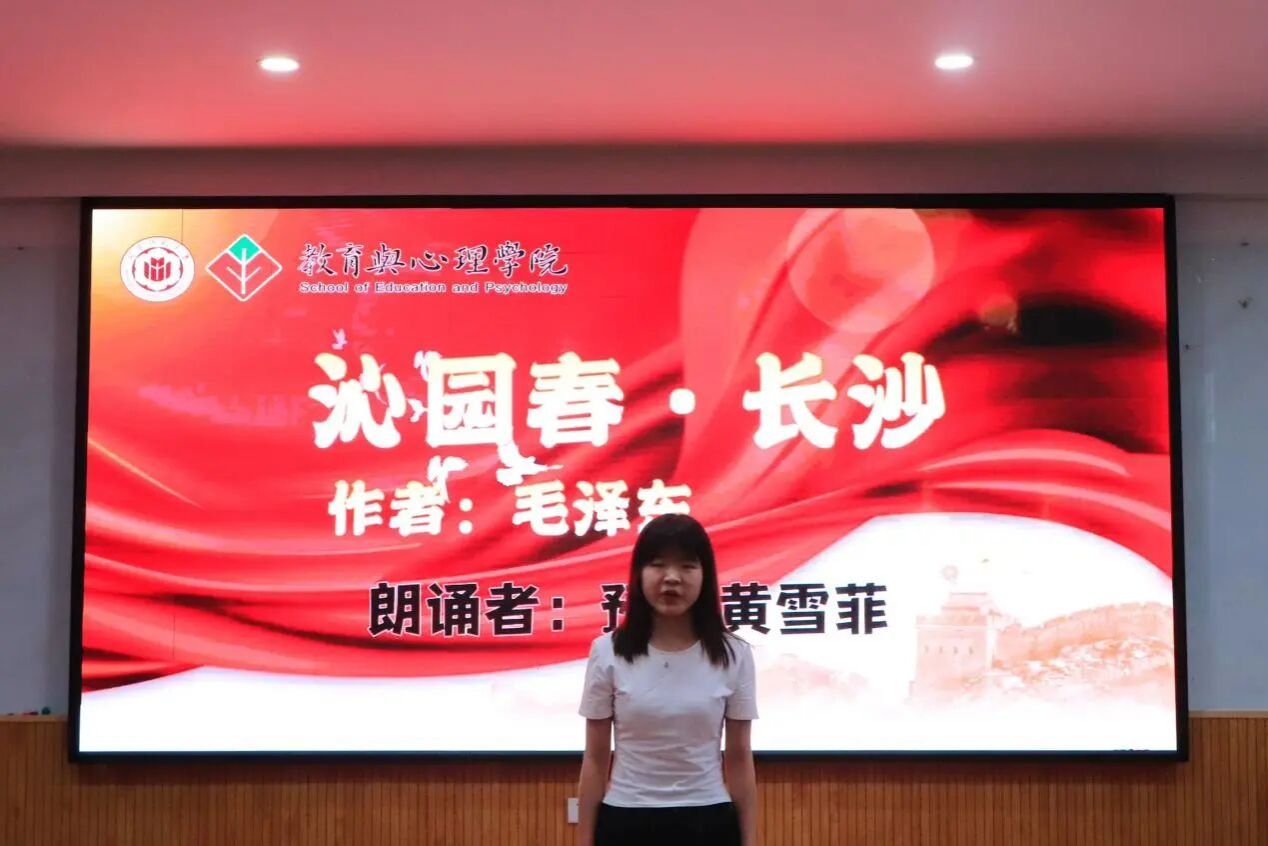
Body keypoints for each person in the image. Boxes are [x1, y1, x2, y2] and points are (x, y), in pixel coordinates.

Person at [576, 513, 758, 846]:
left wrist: (750, 841)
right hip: (627, 819)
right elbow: (595, 758)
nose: (671, 578)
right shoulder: (607, 652)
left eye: (687, 566)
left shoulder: (735, 653)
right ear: (639, 573)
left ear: (705, 575)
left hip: (708, 821)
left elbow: (739, 757)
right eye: (657, 564)